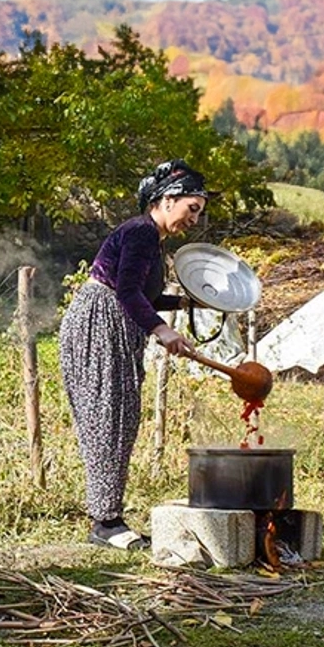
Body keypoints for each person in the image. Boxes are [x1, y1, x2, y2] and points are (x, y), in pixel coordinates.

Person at [59, 159, 206, 550]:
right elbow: (125, 292)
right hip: (101, 323)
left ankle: (107, 515)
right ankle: (106, 523)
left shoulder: (150, 239)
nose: (194, 219)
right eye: (192, 208)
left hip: (109, 323)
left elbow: (143, 294)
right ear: (167, 200)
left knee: (116, 417)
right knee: (110, 417)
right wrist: (161, 329)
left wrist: (185, 302)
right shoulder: (141, 232)